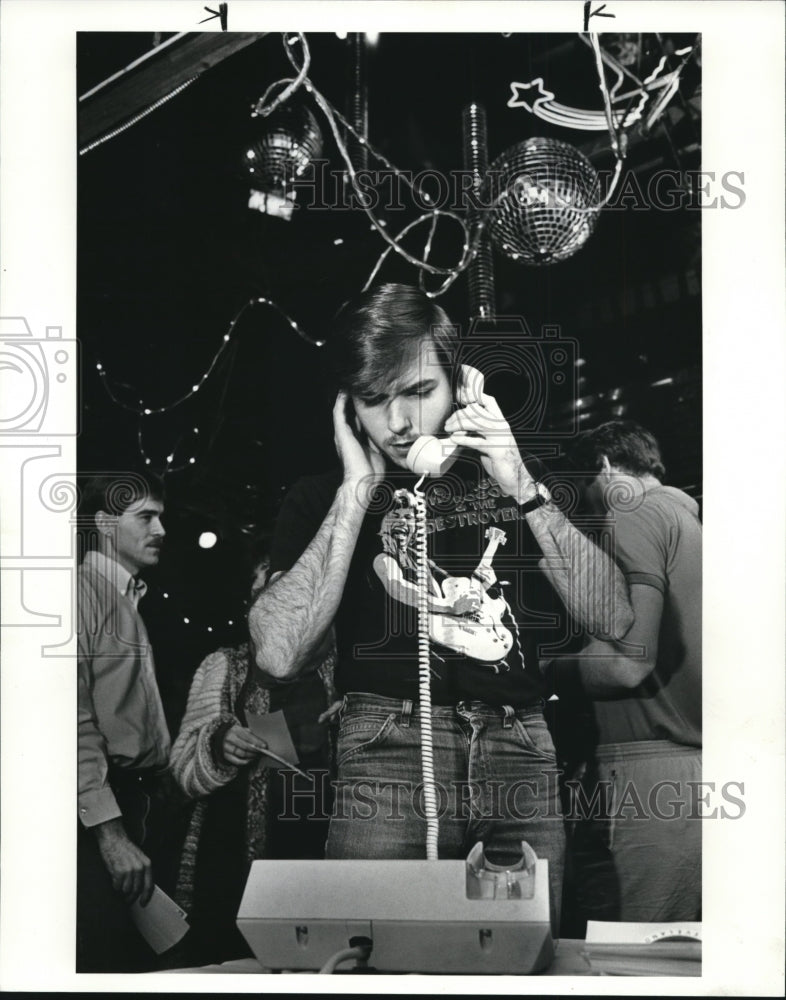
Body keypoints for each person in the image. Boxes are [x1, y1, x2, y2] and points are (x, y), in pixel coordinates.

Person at [247, 284, 634, 933]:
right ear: (347, 409)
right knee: (371, 951)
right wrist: (354, 494)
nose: (397, 423)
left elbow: (615, 617)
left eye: (418, 392)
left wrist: (520, 486)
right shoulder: (322, 497)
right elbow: (279, 652)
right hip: (386, 751)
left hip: (520, 747)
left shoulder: (517, 478)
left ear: (462, 385)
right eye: (372, 401)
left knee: (518, 957)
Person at [548, 420, 702, 925]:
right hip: (690, 770)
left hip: (645, 769)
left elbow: (626, 663)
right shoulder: (691, 524)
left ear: (607, 468)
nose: (587, 507)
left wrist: (538, 669)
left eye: (584, 488)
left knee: (628, 959)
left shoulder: (633, 513)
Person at [170, 546, 336, 965]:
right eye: (267, 590)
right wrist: (219, 743)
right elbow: (183, 769)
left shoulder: (349, 669)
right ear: (252, 604)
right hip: (239, 870)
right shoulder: (224, 665)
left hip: (327, 860)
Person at [76, 469, 173, 972]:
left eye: (161, 517)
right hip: (102, 811)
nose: (161, 531)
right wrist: (110, 835)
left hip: (135, 800)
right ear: (105, 524)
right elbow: (71, 723)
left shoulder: (126, 595)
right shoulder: (78, 592)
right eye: (147, 517)